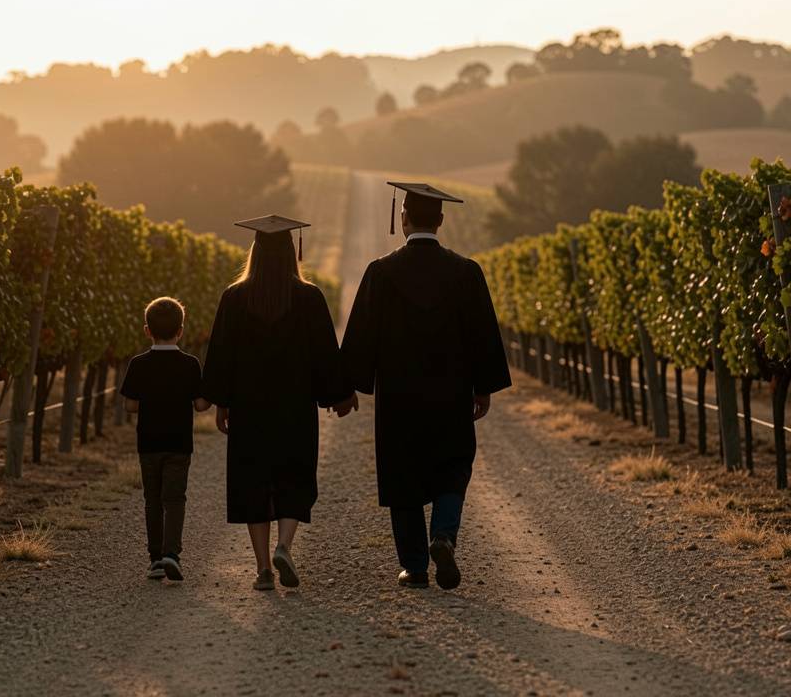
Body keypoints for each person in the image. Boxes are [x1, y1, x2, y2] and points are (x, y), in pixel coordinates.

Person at [341, 182, 511, 590]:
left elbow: (362, 336)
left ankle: (414, 566)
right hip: (451, 392)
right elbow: (482, 336)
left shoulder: (381, 273)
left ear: (403, 219)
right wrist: (482, 387)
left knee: (403, 476)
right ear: (441, 220)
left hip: (398, 395)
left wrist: (348, 385)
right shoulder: (466, 272)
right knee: (453, 465)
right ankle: (444, 535)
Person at [201, 215, 357, 591]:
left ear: (254, 251)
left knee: (253, 480)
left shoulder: (234, 298)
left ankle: (262, 569)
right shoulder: (309, 296)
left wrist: (221, 402)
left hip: (249, 407)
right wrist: (339, 394)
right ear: (292, 252)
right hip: (294, 406)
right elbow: (324, 352)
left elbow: (221, 354)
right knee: (293, 475)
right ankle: (284, 547)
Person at [120, 296, 211, 582]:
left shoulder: (138, 364)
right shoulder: (190, 364)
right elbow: (199, 405)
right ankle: (173, 554)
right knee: (175, 498)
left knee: (152, 500)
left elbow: (131, 406)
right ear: (181, 330)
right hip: (179, 443)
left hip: (148, 444)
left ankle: (155, 558)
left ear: (147, 330)